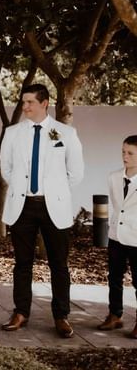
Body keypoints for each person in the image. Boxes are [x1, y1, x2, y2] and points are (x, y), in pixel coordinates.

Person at [0, 83, 84, 338]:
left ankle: (61, 316)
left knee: (59, 264)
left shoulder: (66, 133)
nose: (24, 107)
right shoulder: (12, 133)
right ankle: (20, 312)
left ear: (44, 103)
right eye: (23, 102)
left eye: (30, 103)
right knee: (22, 263)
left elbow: (76, 173)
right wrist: (23, 189)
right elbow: (7, 169)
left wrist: (54, 191)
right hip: (22, 206)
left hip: (53, 206)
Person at [96, 135, 137, 338]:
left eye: (130, 153)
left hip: (136, 237)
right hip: (116, 236)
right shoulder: (113, 177)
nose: (125, 156)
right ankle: (115, 315)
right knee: (114, 277)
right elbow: (115, 204)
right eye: (123, 152)